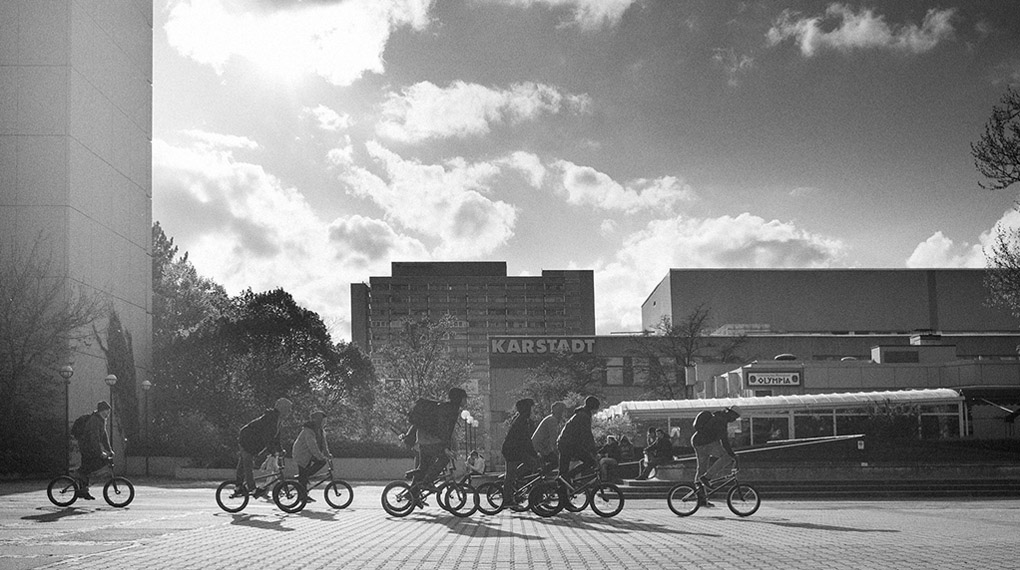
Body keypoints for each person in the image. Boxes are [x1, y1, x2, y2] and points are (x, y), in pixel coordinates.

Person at [410, 387, 468, 491]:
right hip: (430, 440)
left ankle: (412, 495)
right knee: (444, 458)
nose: (466, 401)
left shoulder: (446, 407)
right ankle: (428, 482)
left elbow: (446, 431)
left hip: (425, 439)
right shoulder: (451, 410)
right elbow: (445, 430)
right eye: (464, 398)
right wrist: (446, 448)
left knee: (424, 468)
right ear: (459, 399)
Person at [235, 397, 292, 498]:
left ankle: (238, 486)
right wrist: (273, 451)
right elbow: (268, 438)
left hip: (254, 443)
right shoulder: (271, 419)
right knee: (247, 464)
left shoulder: (278, 421)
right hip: (246, 439)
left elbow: (276, 439)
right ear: (282, 409)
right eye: (288, 409)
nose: (289, 412)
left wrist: (280, 450)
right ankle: (252, 489)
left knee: (243, 463)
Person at [691, 406, 741, 507]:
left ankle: (700, 498)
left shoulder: (717, 416)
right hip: (706, 443)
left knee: (701, 470)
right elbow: (724, 441)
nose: (734, 420)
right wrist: (733, 455)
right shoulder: (721, 421)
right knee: (727, 457)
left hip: (697, 442)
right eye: (735, 417)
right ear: (731, 413)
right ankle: (707, 477)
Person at [555, 396, 600, 488]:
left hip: (565, 443)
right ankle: (567, 476)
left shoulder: (581, 414)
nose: (596, 412)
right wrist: (593, 451)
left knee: (563, 471)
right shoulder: (584, 416)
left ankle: (563, 497)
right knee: (590, 461)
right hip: (569, 444)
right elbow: (587, 435)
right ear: (593, 407)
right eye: (596, 409)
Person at [502, 398, 541, 502]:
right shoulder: (521, 421)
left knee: (532, 464)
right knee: (510, 475)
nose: (533, 410)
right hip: (511, 451)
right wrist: (534, 453)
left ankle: (518, 486)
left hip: (517, 450)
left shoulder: (523, 419)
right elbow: (526, 440)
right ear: (527, 409)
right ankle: (507, 500)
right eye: (532, 408)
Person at [76, 401, 114, 500]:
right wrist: (100, 452)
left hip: (91, 447)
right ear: (101, 411)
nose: (108, 414)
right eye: (107, 411)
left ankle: (83, 490)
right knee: (90, 467)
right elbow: (95, 439)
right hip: (87, 448)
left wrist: (109, 450)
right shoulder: (94, 420)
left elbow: (104, 436)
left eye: (109, 412)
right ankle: (80, 478)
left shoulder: (101, 420)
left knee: (88, 468)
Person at [292, 410, 329, 502]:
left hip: (309, 454)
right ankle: (302, 496)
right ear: (318, 421)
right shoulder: (309, 430)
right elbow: (312, 445)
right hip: (301, 453)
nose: (325, 423)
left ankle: (303, 479)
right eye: (323, 421)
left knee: (307, 472)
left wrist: (327, 454)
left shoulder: (320, 430)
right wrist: (320, 456)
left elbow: (324, 444)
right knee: (306, 470)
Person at [531, 401, 567, 474]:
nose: (564, 414)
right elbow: (553, 439)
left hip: (541, 447)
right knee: (556, 461)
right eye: (563, 411)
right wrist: (558, 451)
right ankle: (540, 475)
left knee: (548, 461)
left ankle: (541, 474)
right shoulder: (552, 421)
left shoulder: (553, 419)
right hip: (539, 447)